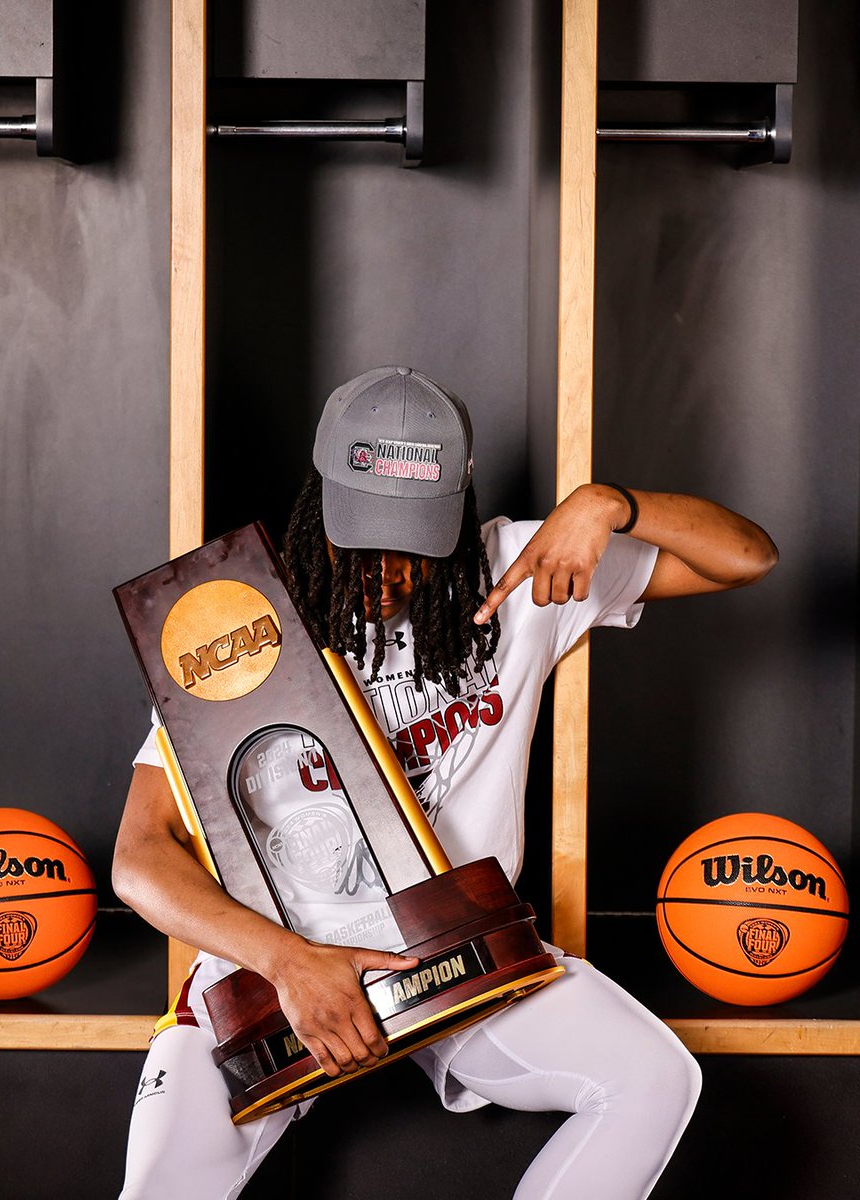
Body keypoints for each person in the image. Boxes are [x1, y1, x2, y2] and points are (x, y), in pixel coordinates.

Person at [114, 365, 778, 1200]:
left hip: (458, 954)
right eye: (358, 535)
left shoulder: (523, 569)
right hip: (274, 971)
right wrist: (289, 962)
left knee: (654, 1080)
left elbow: (748, 558)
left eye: (412, 541)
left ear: (459, 517)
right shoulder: (244, 621)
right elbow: (139, 855)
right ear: (316, 500)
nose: (384, 571)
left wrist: (611, 504)